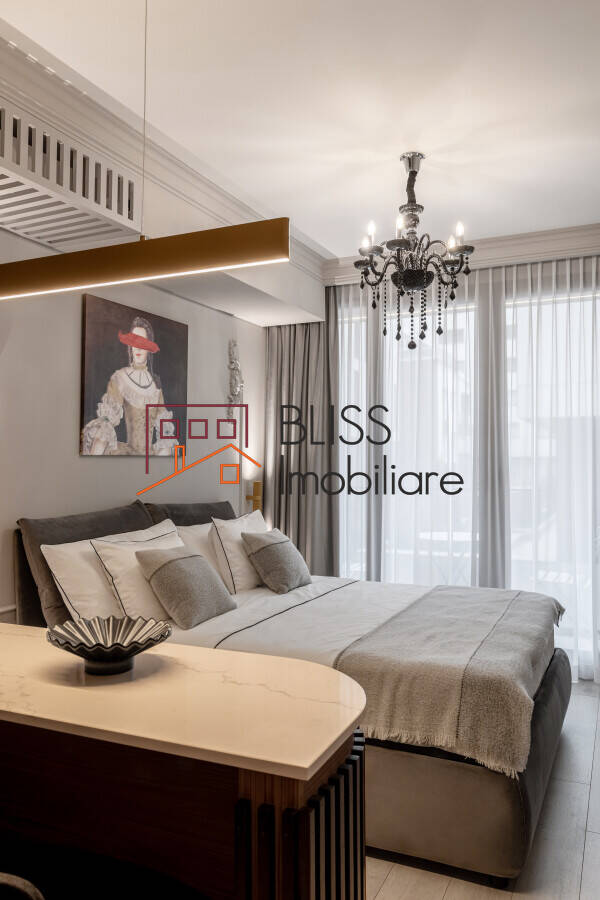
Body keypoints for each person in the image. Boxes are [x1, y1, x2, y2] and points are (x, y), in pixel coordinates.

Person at [82, 316, 177, 456]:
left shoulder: (155, 384)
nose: (137, 347)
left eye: (142, 342)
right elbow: (106, 423)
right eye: (134, 341)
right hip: (128, 454)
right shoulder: (121, 377)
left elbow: (165, 429)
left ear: (149, 348)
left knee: (167, 448)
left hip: (150, 457)